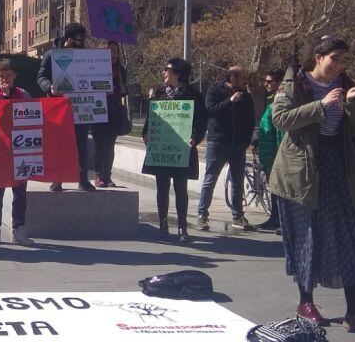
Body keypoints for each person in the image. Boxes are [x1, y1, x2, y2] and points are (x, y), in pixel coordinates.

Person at [268, 35, 355, 335]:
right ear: (318, 57)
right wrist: (320, 105)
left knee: (352, 236)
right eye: (334, 58)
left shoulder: (345, 84)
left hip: (340, 168)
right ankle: (305, 302)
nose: (339, 65)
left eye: (344, 60)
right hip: (303, 172)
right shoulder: (296, 82)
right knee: (309, 237)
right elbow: (281, 118)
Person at [141, 58, 208, 244]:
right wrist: (146, 134)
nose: (163, 72)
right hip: (162, 148)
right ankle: (163, 225)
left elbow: (202, 120)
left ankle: (182, 227)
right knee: (162, 187)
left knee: (180, 188)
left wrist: (196, 137)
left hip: (182, 149)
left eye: (167, 69)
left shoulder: (193, 95)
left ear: (177, 72)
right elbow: (152, 117)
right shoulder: (159, 93)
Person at [195, 66, 256, 231]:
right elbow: (209, 111)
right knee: (210, 179)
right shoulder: (215, 91)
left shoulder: (246, 96)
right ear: (233, 78)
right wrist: (229, 102)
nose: (245, 81)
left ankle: (238, 215)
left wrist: (246, 140)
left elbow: (251, 119)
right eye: (242, 77)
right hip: (218, 142)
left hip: (238, 145)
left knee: (237, 181)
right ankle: (202, 215)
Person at [37, 22, 95, 192]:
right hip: (58, 107)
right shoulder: (51, 55)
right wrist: (49, 87)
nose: (81, 43)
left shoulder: (85, 55)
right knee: (58, 144)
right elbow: (41, 76)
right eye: (79, 40)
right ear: (68, 39)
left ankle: (83, 179)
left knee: (81, 144)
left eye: (83, 40)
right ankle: (57, 179)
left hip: (81, 107)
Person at [0, 58, 35, 246]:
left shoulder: (24, 95)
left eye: (7, 76)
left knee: (20, 192)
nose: (4, 80)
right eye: (1, 77)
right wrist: (4, 98)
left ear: (15, 75)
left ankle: (18, 229)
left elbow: (32, 118)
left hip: (20, 150)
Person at [92, 40, 131, 188]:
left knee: (110, 146)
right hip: (98, 111)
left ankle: (107, 175)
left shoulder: (121, 70)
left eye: (116, 51)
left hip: (114, 113)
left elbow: (124, 91)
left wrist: (120, 87)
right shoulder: (94, 69)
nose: (114, 54)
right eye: (110, 51)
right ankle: (98, 175)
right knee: (99, 145)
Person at [255, 69, 286, 231]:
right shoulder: (272, 100)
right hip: (269, 151)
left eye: (269, 81)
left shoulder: (284, 100)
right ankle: (275, 218)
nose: (266, 84)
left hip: (280, 150)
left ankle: (283, 220)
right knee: (274, 187)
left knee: (283, 188)